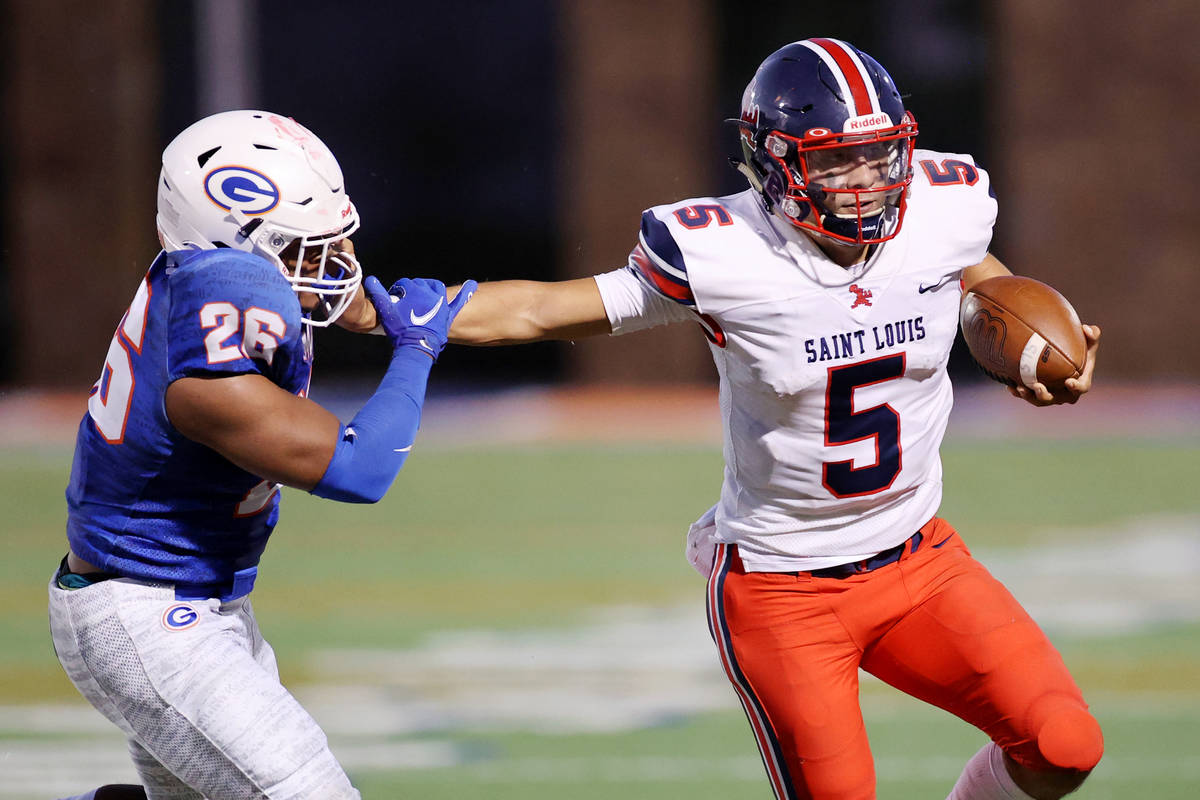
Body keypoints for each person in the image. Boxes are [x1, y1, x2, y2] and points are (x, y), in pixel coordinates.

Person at [448, 38, 1103, 800]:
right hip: (783, 588)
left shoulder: (942, 204)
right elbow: (540, 310)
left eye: (879, 156)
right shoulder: (725, 253)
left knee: (1063, 745)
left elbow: (970, 266)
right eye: (833, 162)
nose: (864, 182)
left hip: (922, 560)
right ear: (774, 164)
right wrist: (387, 313)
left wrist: (1027, 340)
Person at [49, 109, 475, 800]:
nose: (328, 269)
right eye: (303, 251)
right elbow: (359, 470)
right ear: (230, 242)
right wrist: (415, 353)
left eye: (330, 246)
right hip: (150, 617)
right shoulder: (211, 350)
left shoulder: (210, 285)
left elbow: (353, 306)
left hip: (196, 607)